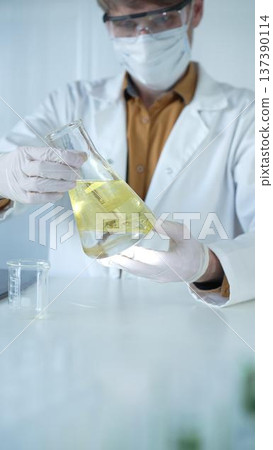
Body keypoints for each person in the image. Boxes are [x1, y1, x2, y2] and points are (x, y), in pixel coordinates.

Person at [0, 0, 254, 307]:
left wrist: (207, 266)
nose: (144, 37)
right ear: (107, 23)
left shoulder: (249, 116)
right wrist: (4, 177)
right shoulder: (68, 102)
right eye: (127, 23)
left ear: (195, 11)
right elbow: (10, 158)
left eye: (161, 18)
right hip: (75, 312)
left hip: (189, 318)